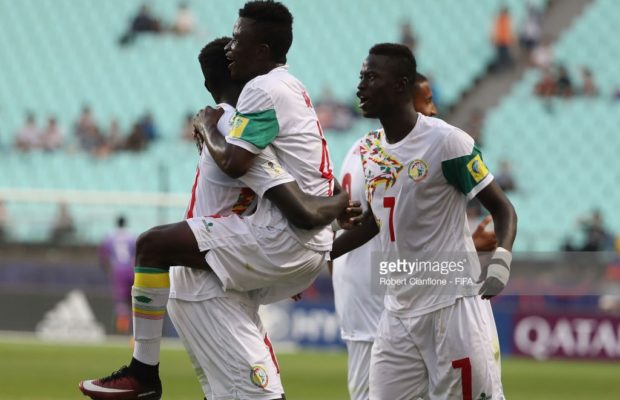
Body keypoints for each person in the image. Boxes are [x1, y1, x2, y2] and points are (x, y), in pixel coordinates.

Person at [79, 3, 359, 397]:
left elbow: (242, 167)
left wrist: (207, 125)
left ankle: (143, 373)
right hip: (258, 260)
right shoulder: (291, 90)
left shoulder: (241, 113)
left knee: (153, 245)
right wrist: (335, 206)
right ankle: (142, 375)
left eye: (238, 40)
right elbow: (307, 193)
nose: (232, 47)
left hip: (243, 263)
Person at [331, 43, 517, 399]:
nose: (360, 86)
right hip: (397, 313)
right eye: (361, 77)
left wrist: (501, 264)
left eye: (371, 77)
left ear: (400, 85)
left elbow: (503, 208)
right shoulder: (371, 151)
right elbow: (376, 222)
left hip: (452, 307)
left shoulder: (448, 143)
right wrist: (322, 253)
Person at [100, 215, 137, 334]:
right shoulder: (132, 236)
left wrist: (107, 270)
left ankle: (122, 330)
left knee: (121, 302)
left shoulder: (110, 236)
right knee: (133, 299)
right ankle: (135, 329)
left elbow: (103, 256)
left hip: (118, 270)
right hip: (131, 269)